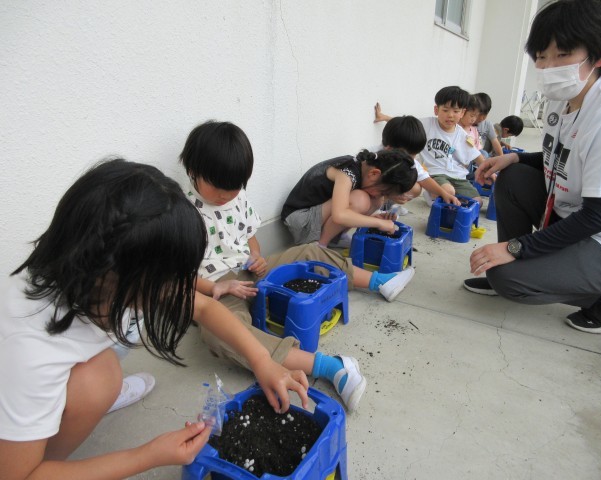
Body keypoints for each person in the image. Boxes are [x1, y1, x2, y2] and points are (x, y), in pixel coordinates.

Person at [0, 159, 310, 480]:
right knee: (95, 384)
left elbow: (205, 309)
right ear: (116, 277)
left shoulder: (104, 274)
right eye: (167, 279)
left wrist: (262, 361)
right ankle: (40, 456)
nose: (177, 287)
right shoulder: (30, 350)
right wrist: (147, 456)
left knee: (103, 376)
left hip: (51, 373)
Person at [180, 121, 416, 411]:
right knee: (219, 333)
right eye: (219, 188)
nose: (226, 195)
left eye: (235, 187)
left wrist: (257, 255)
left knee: (309, 251)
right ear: (193, 170)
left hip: (250, 271)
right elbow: (178, 275)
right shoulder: (183, 213)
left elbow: (249, 234)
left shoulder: (236, 197)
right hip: (217, 288)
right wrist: (216, 286)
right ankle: (329, 366)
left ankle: (378, 281)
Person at [463, 0, 601, 334]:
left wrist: (515, 248)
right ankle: (519, 264)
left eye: (563, 55)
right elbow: (564, 156)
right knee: (513, 176)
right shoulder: (566, 96)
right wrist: (515, 157)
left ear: (599, 56)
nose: (547, 67)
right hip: (575, 213)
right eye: (542, 56)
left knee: (507, 279)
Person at [375, 86, 491, 206]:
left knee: (477, 203)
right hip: (435, 173)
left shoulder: (462, 135)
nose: (450, 115)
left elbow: (476, 155)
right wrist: (384, 117)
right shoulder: (427, 124)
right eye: (445, 110)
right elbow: (406, 125)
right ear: (436, 110)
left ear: (462, 113)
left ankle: (443, 198)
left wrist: (489, 171)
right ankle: (432, 195)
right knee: (449, 191)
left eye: (456, 111)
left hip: (458, 176)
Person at [281, 147, 417, 247]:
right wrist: (379, 223)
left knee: (375, 201)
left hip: (317, 215)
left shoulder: (363, 168)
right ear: (374, 174)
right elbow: (339, 215)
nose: (380, 195)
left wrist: (373, 218)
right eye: (382, 191)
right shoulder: (346, 174)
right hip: (301, 219)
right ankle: (320, 246)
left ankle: (336, 237)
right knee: (361, 200)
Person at [372, 111, 461, 209]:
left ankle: (386, 205)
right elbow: (368, 185)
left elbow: (424, 179)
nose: (412, 159)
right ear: (389, 149)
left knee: (416, 188)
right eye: (409, 155)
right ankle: (376, 208)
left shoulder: (408, 160)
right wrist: (389, 195)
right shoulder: (373, 158)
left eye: (414, 155)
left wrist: (444, 194)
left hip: (386, 192)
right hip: (369, 194)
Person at [475, 92, 503, 158]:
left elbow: (495, 142)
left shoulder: (487, 124)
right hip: (469, 153)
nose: (482, 118)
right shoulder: (467, 124)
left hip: (480, 153)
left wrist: (501, 157)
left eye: (485, 115)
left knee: (484, 154)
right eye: (480, 114)